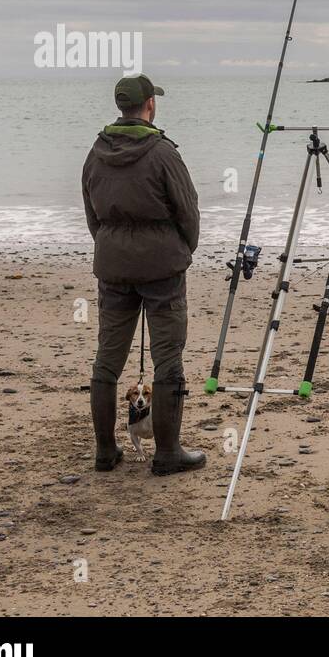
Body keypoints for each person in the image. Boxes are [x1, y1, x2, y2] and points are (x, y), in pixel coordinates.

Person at [82, 74, 206, 476]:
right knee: (168, 357)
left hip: (114, 266)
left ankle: (105, 450)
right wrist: (182, 250)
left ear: (122, 107)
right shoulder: (163, 153)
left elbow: (92, 214)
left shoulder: (96, 152)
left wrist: (112, 247)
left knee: (108, 359)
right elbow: (188, 211)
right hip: (161, 268)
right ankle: (167, 452)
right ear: (149, 105)